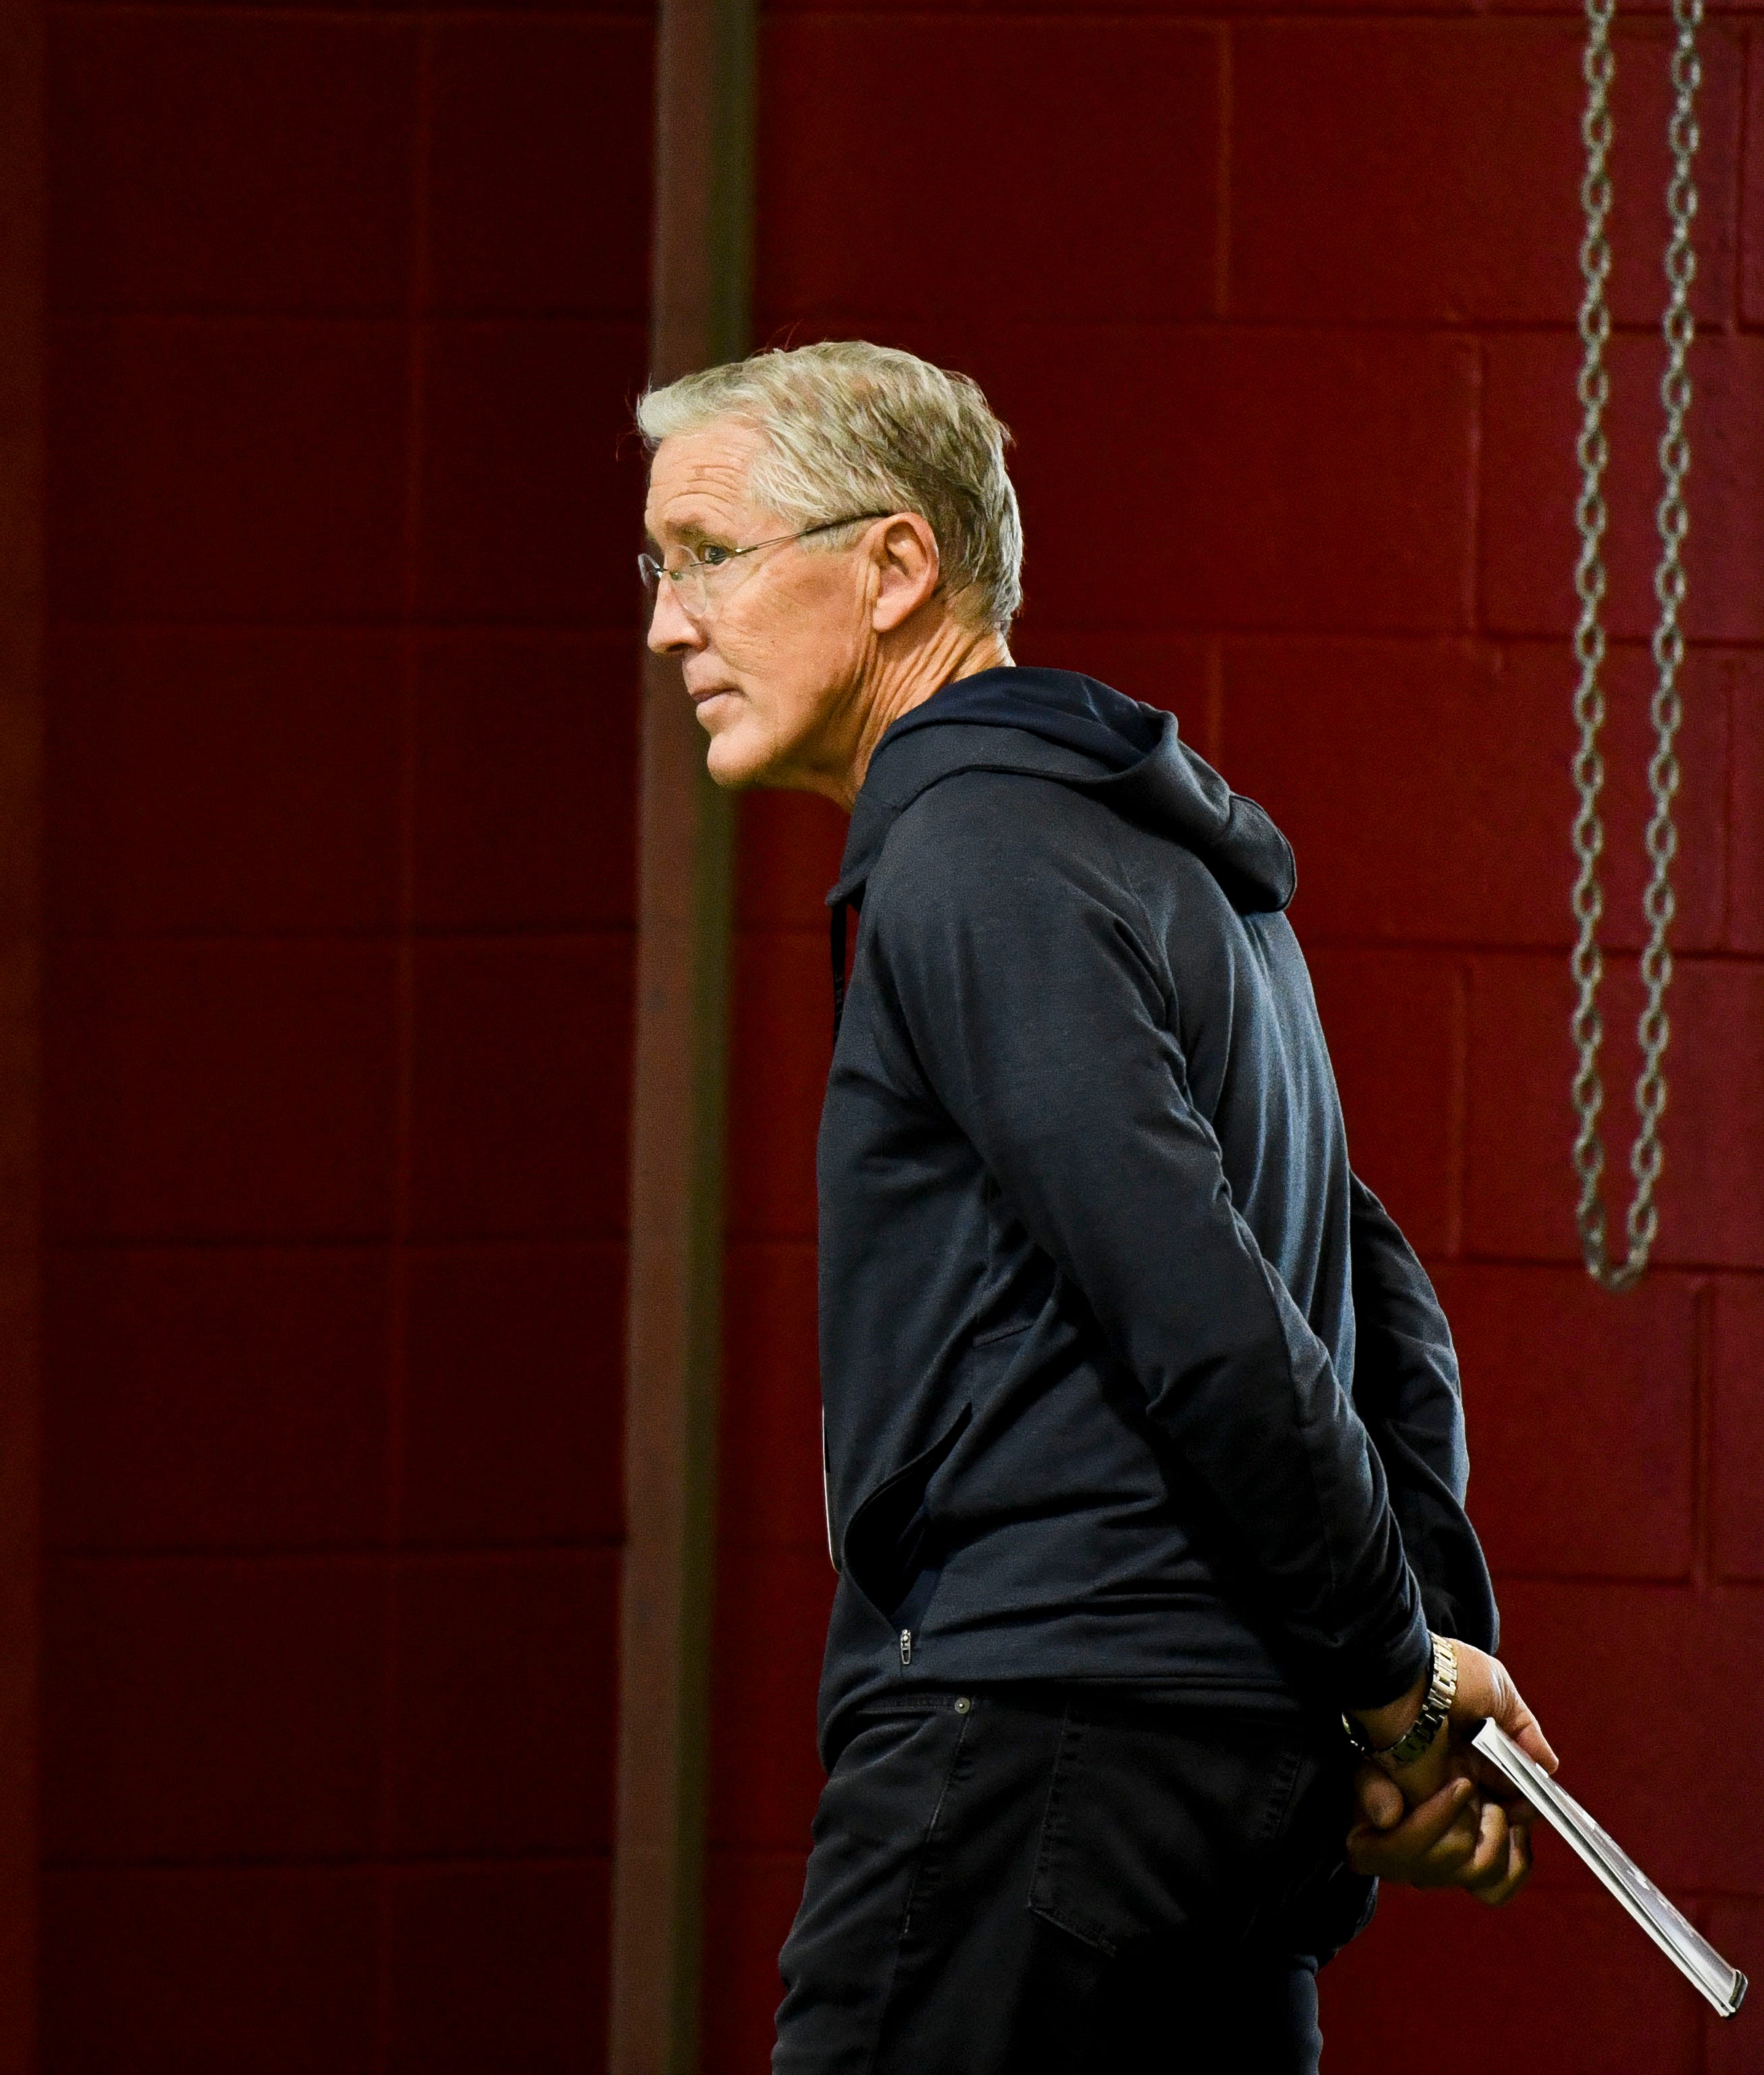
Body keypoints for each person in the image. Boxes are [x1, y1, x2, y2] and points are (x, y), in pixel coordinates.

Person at [636, 341, 1559, 2072]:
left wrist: (1393, 1676)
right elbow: (1384, 1311)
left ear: (894, 564)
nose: (667, 623)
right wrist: (1409, 1683)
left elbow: (1202, 1310)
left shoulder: (970, 857)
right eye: (658, 566)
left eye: (706, 553)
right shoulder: (1163, 865)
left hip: (1034, 1766)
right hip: (1220, 1791)